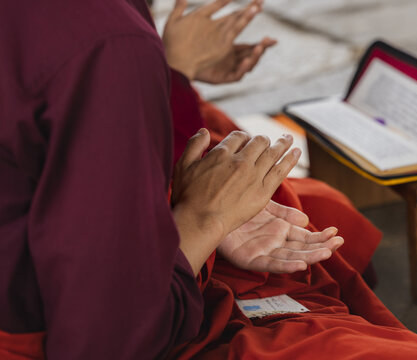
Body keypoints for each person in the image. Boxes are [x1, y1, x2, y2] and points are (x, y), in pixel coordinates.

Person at [0, 0, 344, 358]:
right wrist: (202, 218)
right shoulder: (109, 43)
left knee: (314, 209)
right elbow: (110, 335)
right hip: (47, 326)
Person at [160, 1, 417, 359]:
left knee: (320, 207)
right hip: (168, 261)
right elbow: (122, 317)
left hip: (183, 222)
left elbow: (138, 127)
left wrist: (171, 75)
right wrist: (201, 221)